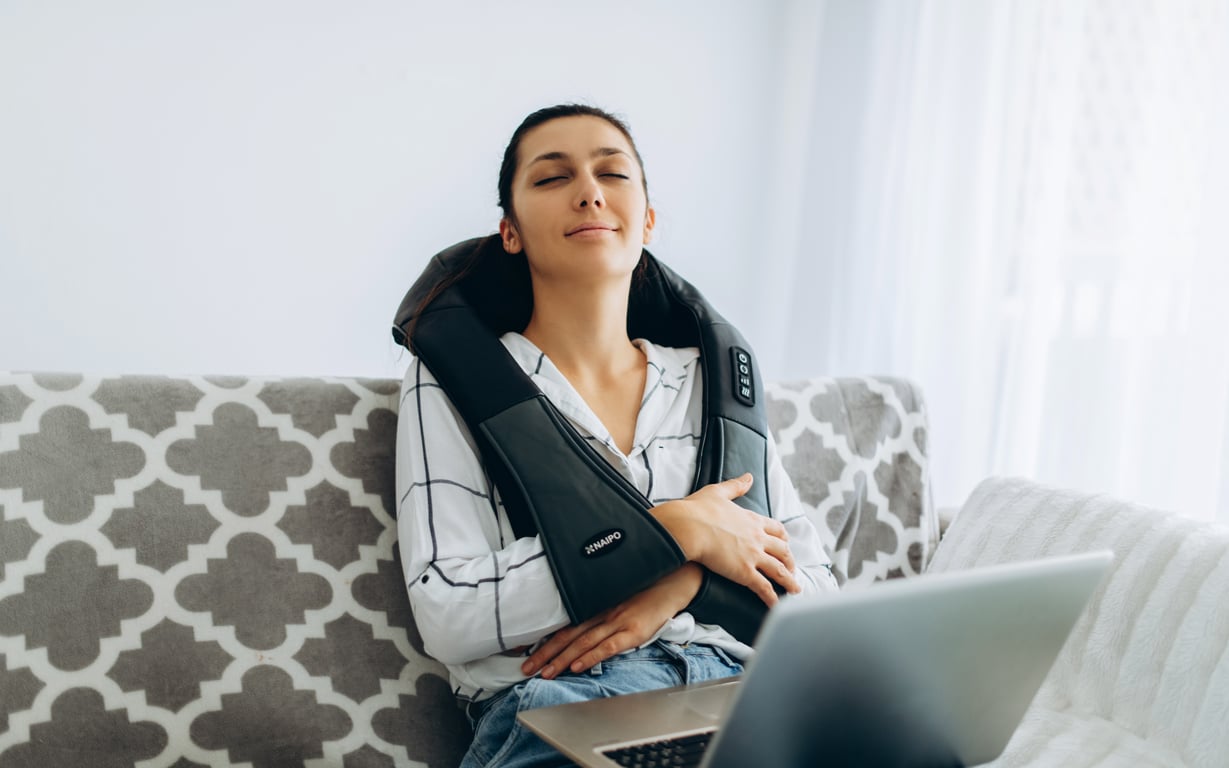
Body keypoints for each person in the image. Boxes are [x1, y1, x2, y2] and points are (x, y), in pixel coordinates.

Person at [395, 104, 839, 768]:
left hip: (746, 696)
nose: (589, 191)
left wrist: (684, 582)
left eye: (613, 173)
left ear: (647, 220)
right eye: (552, 178)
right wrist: (675, 530)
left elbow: (819, 596)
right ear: (510, 232)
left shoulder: (714, 383)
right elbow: (449, 612)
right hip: (571, 706)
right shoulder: (453, 379)